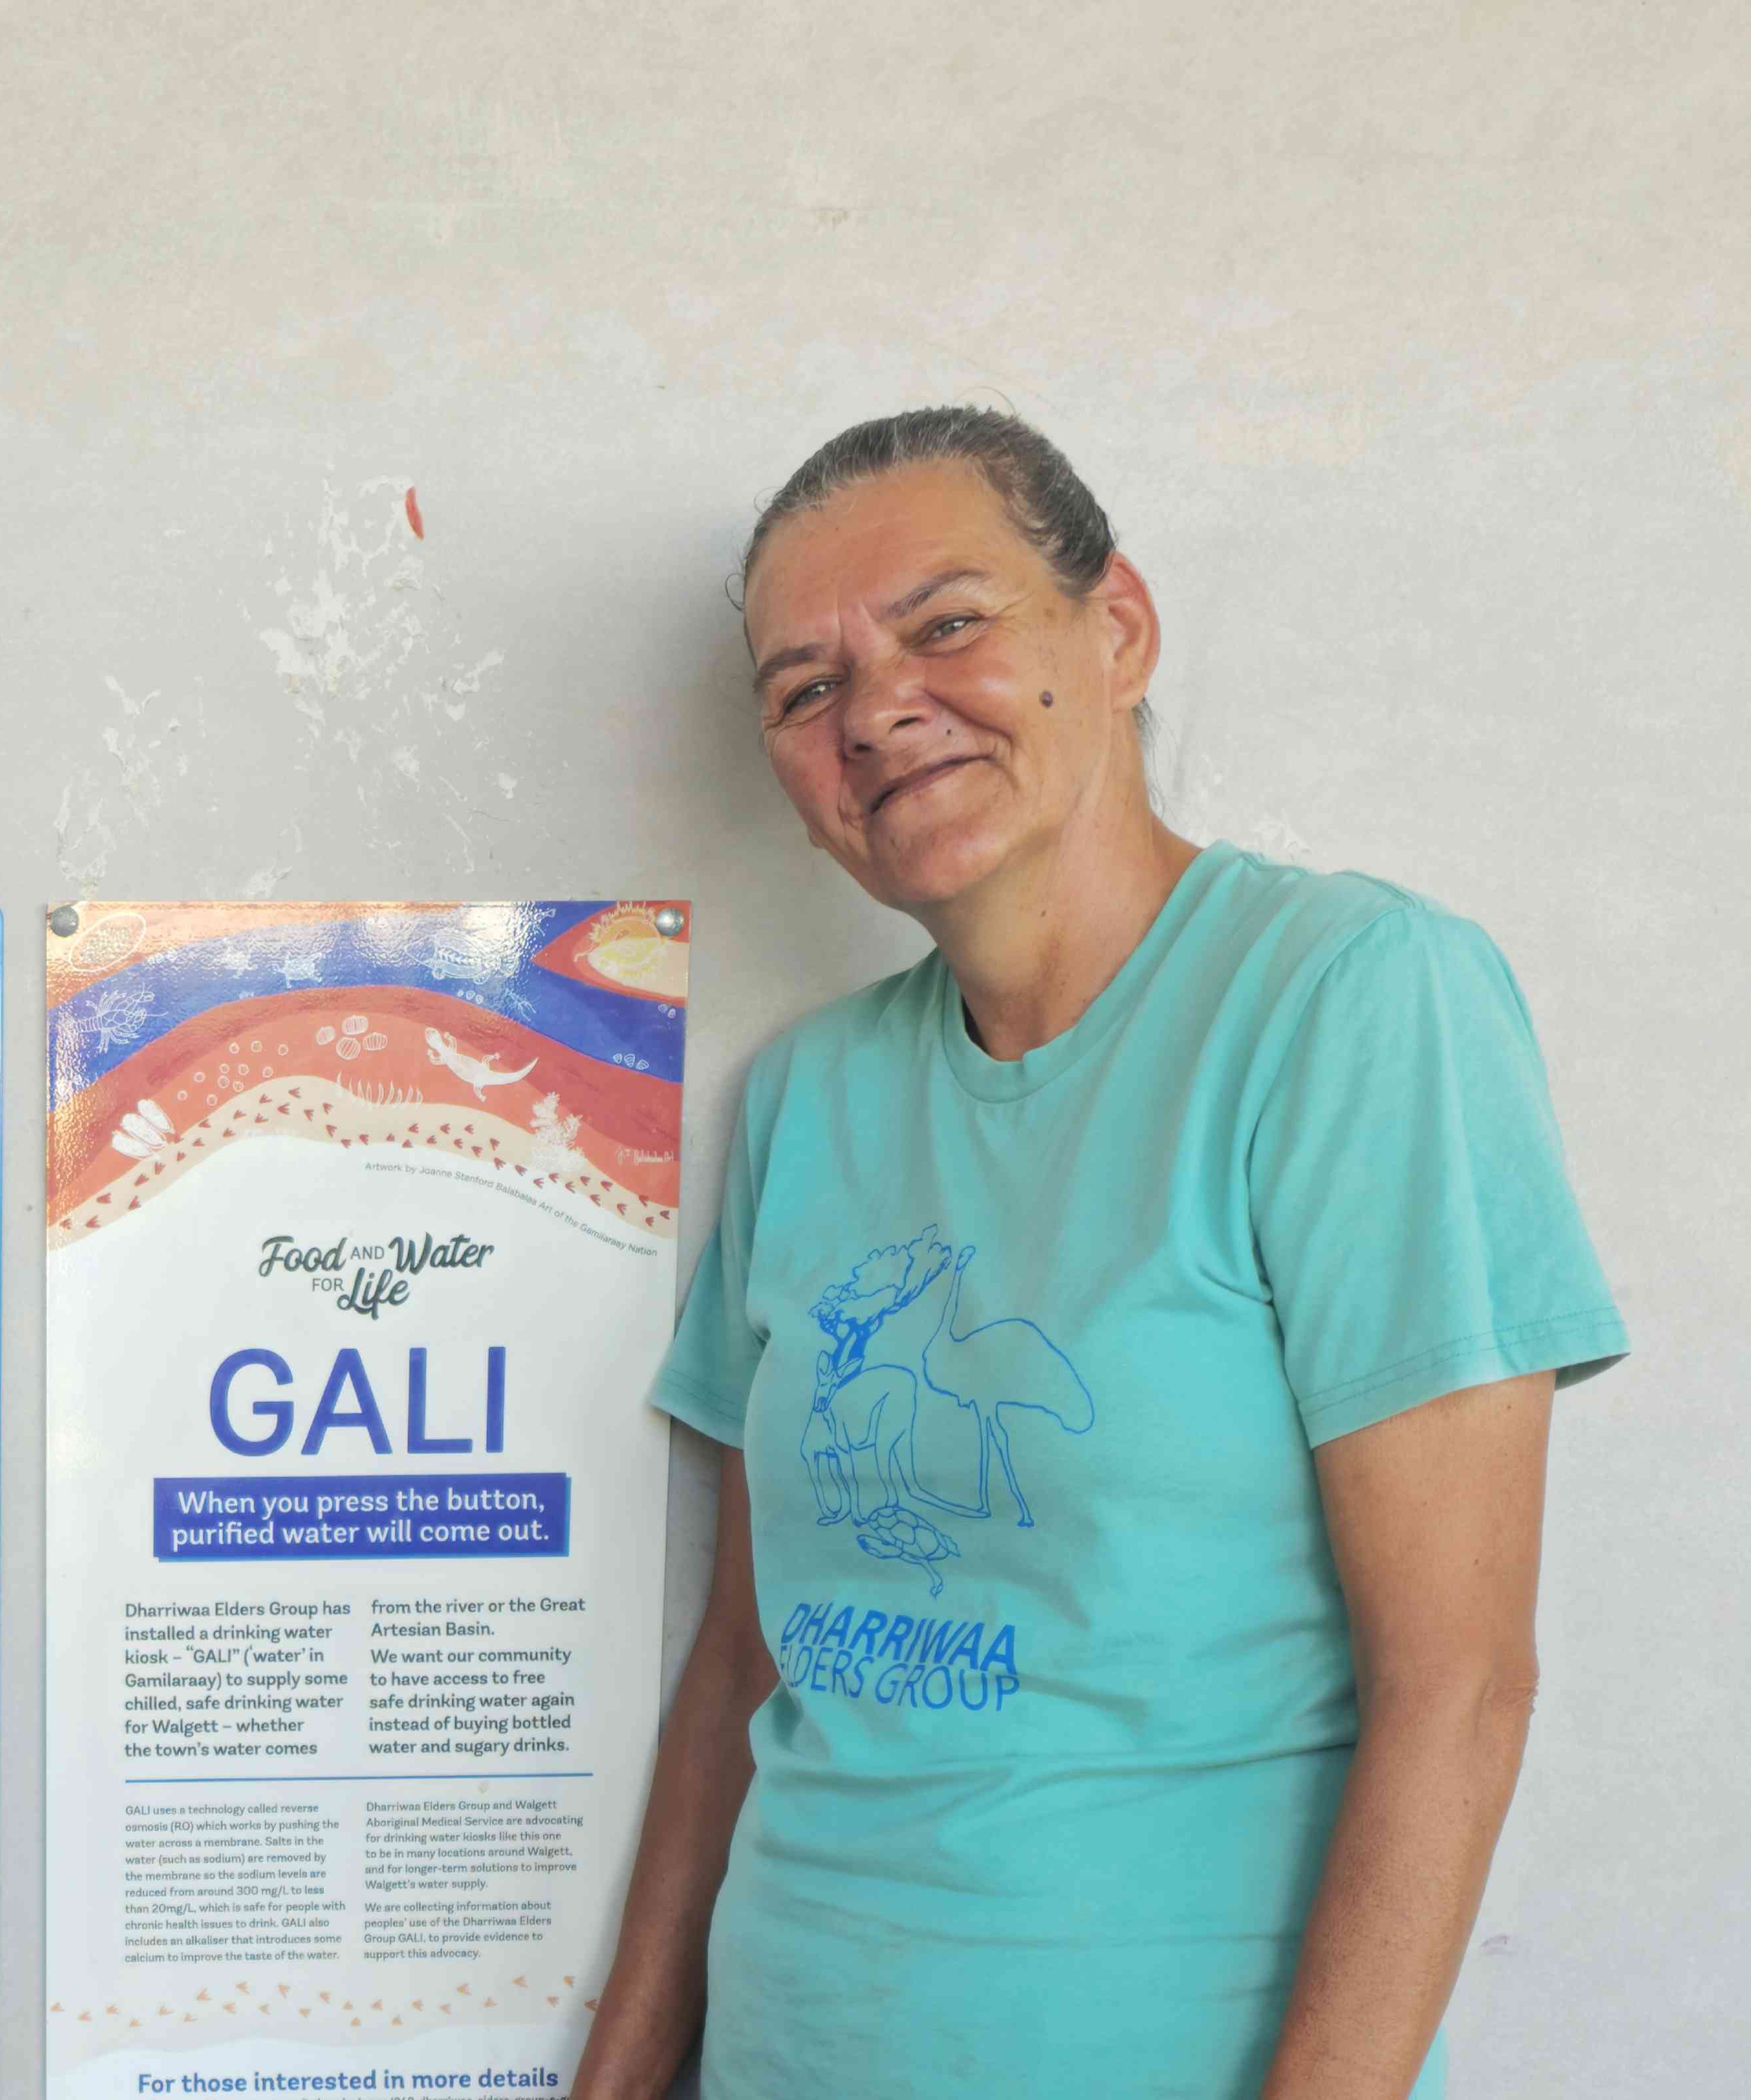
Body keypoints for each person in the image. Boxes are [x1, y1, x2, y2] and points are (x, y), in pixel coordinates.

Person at [576, 408, 1624, 2099]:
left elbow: (1463, 1692)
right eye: (802, 687)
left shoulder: (1347, 1001)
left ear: (1118, 628)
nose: (879, 709)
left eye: (947, 623)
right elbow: (746, 1665)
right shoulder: (809, 1100)